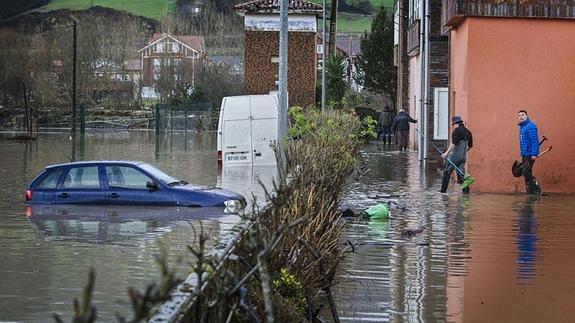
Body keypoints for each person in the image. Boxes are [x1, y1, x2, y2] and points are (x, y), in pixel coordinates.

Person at [440, 116, 473, 194]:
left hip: (455, 157)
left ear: (455, 124)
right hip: (463, 157)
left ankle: (443, 192)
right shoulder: (468, 132)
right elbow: (470, 146)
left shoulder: (457, 131)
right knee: (461, 174)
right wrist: (463, 152)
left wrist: (446, 153)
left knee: (447, 172)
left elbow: (453, 144)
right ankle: (466, 193)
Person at [517, 109, 541, 194]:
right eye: (519, 115)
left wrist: (534, 153)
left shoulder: (531, 126)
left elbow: (535, 141)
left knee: (526, 172)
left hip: (530, 154)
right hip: (524, 153)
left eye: (523, 115)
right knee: (527, 172)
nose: (521, 117)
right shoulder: (522, 127)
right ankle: (529, 192)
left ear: (526, 115)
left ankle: (536, 190)